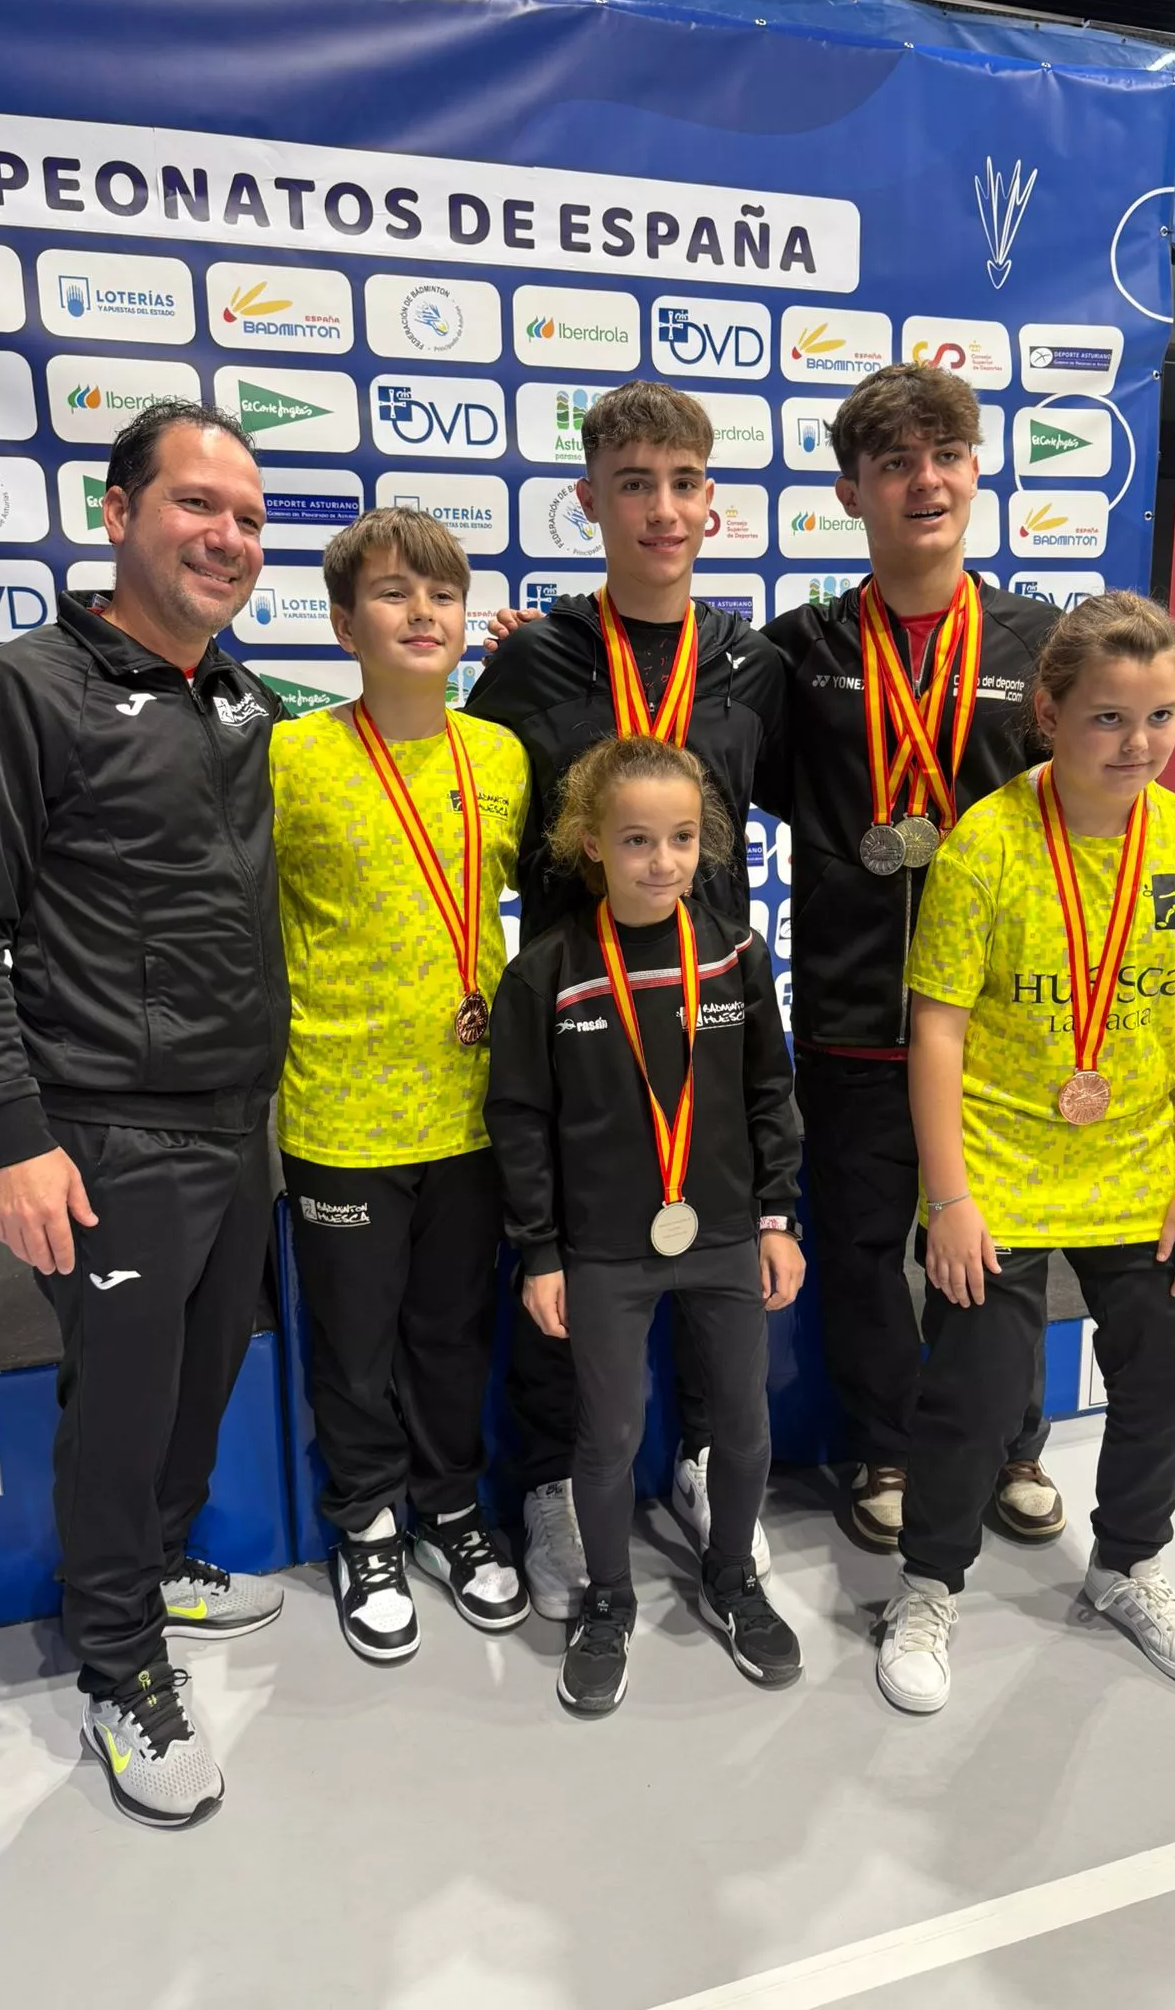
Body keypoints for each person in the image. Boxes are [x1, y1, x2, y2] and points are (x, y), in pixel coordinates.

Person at [762, 364, 1175, 1552]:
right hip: (854, 1001)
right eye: (894, 462)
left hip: (1010, 1026)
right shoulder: (797, 652)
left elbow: (1107, 774)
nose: (925, 480)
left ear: (976, 470)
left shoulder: (1038, 640)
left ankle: (1014, 1442)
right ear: (850, 489)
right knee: (873, 1252)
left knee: (1006, 1252)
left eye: (947, 454)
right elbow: (689, 744)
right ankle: (886, 1442)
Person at [0, 400, 288, 1830]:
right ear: (117, 511)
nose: (228, 537)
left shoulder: (242, 701)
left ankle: (157, 1558)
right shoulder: (23, 689)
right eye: (198, 505)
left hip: (233, 1115)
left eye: (249, 518)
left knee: (192, 1395)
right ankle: (118, 1658)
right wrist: (9, 1133)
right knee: (121, 1410)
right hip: (104, 1132)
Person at [876, 591, 1175, 1715]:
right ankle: (928, 1585)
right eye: (1109, 718)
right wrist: (950, 1199)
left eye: (1161, 716)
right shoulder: (985, 845)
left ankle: (1127, 1562)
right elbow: (934, 1026)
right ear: (1048, 712)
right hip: (998, 1165)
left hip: (1137, 1168)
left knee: (1172, 1365)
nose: (1139, 744)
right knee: (978, 1392)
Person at [465, 380, 787, 1619]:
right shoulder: (532, 660)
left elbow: (865, 794)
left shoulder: (753, 662)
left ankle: (703, 1466)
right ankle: (553, 1483)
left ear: (713, 501)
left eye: (685, 482)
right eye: (636, 483)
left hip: (705, 1021)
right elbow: (462, 814)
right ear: (588, 499)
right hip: (578, 1028)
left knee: (711, 1273)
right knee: (572, 1281)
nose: (663, 507)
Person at [485, 735, 805, 1716]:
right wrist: (540, 1251)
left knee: (745, 1423)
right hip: (604, 1252)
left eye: (678, 838)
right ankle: (607, 1599)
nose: (659, 860)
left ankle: (731, 1581)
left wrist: (778, 1215)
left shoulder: (734, 956)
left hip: (721, 1235)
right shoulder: (547, 974)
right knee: (611, 1431)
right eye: (635, 839)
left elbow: (767, 1091)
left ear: (704, 843)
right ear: (592, 843)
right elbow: (522, 1123)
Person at [272, 508, 531, 1662]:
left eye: (441, 592)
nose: (422, 612)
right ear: (343, 623)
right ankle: (366, 1520)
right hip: (339, 1109)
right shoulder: (291, 757)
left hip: (473, 1107)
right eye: (391, 594)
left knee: (450, 1329)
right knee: (357, 1340)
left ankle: (451, 1507)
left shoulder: (504, 754)